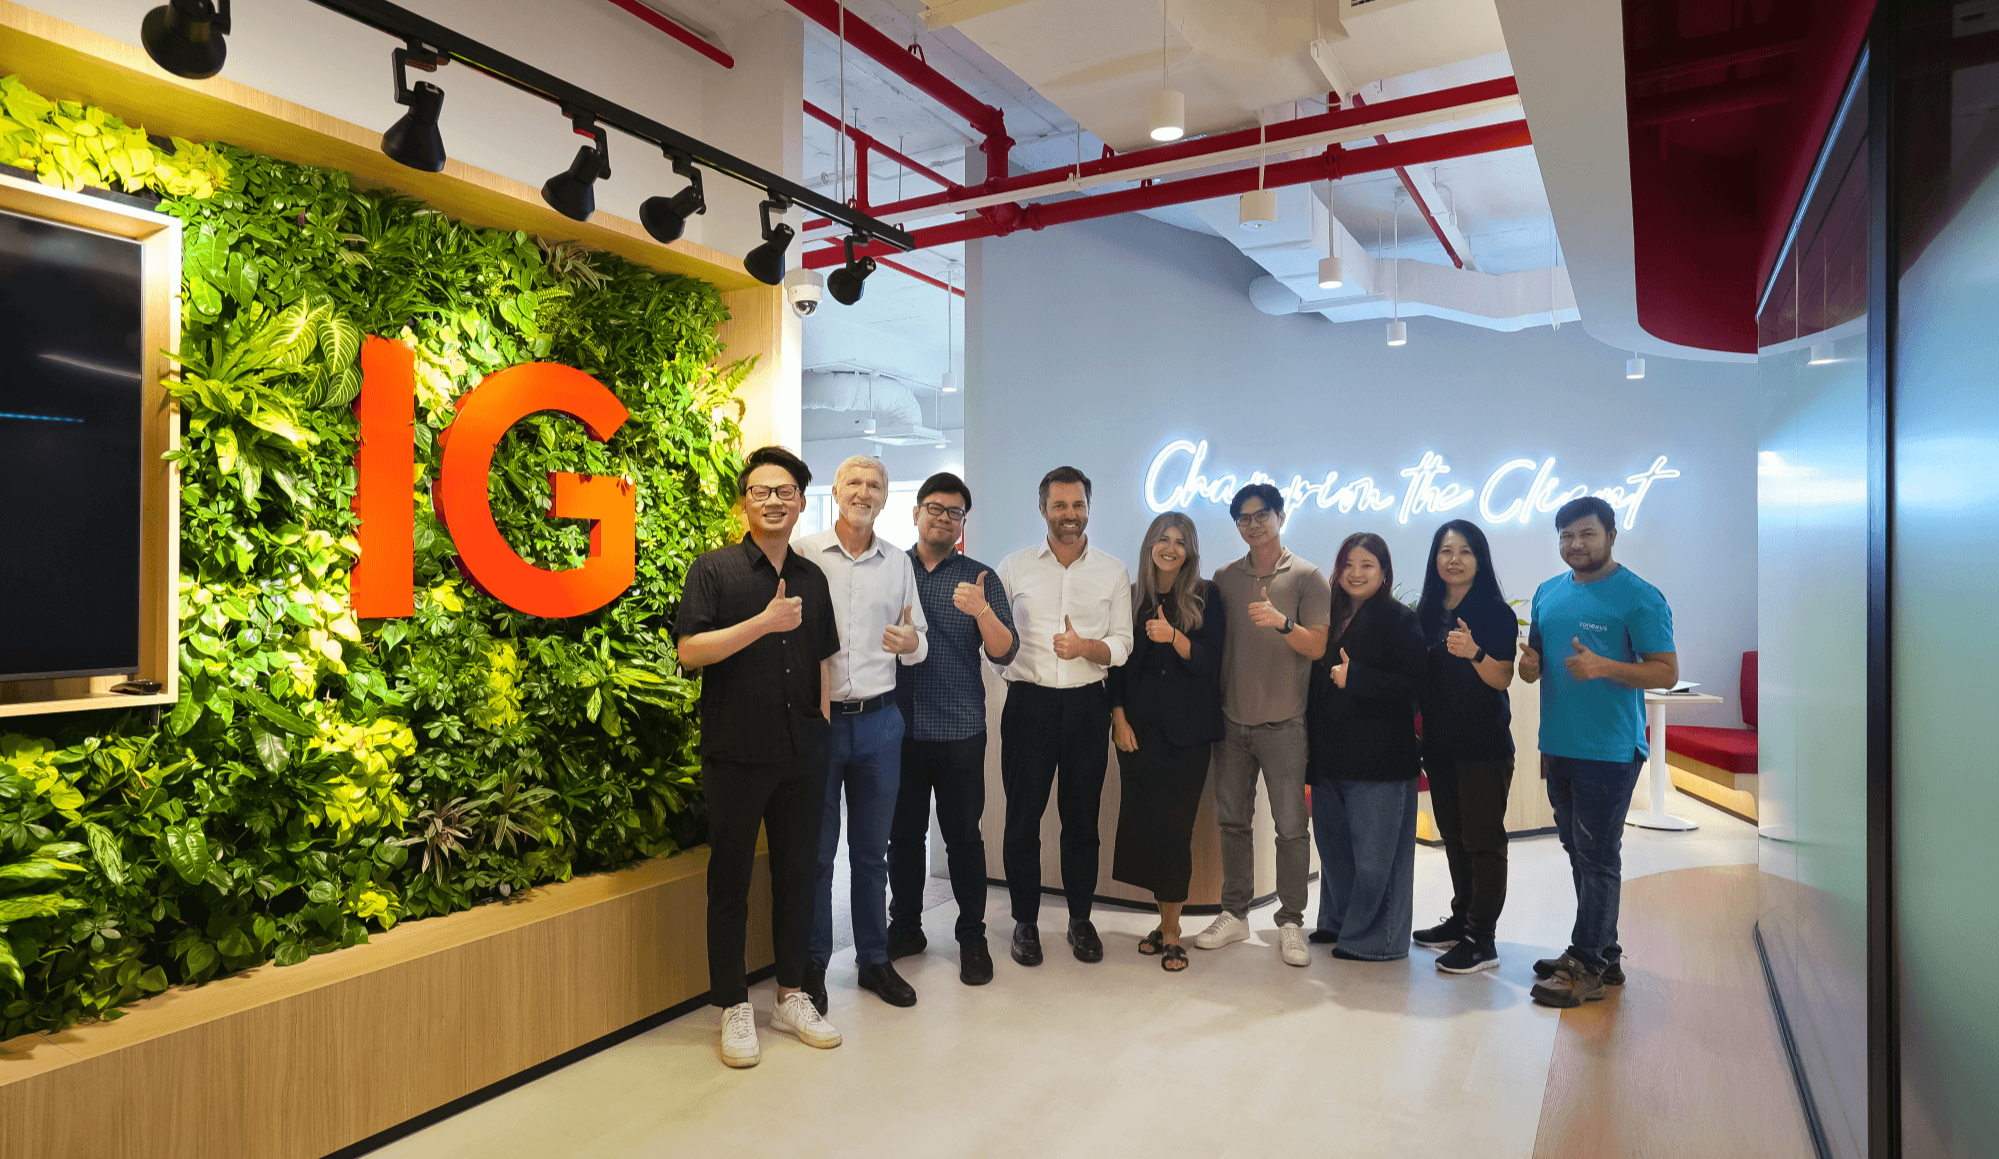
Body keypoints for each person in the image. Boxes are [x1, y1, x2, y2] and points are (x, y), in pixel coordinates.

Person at [673, 445, 843, 1069]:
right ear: (744, 502)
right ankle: (732, 1005)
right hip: (737, 752)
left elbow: (823, 658)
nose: (773, 501)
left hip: (803, 752)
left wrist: (822, 729)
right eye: (761, 491)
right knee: (731, 880)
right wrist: (763, 623)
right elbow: (690, 652)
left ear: (800, 502)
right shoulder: (713, 570)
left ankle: (791, 996)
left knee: (799, 876)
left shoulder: (812, 578)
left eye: (785, 492)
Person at [1519, 495, 1677, 1008]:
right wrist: (1528, 668)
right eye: (1566, 536)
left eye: (1587, 533)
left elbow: (1666, 672)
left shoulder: (1639, 596)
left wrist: (1605, 666)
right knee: (1578, 850)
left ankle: (1585, 964)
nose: (1575, 544)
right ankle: (1603, 953)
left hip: (1609, 749)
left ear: (1611, 536)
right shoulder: (1547, 592)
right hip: (1558, 744)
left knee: (1598, 857)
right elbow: (1536, 662)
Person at [796, 456, 929, 1012]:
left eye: (874, 484)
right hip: (820, 723)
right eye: (854, 482)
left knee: (873, 853)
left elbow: (919, 640)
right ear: (835, 491)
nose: (863, 491)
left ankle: (874, 959)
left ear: (884, 498)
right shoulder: (804, 553)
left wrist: (910, 643)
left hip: (880, 722)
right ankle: (812, 965)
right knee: (818, 855)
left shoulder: (898, 562)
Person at [996, 466, 1133, 968]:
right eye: (1060, 505)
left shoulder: (1112, 571)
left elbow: (1123, 644)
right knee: (1021, 821)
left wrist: (1084, 648)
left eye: (1077, 505)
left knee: (1081, 821)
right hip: (1028, 706)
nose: (1069, 515)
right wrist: (1009, 674)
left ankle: (1080, 919)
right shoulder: (1014, 567)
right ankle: (1025, 922)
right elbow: (996, 638)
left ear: (1088, 509)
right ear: (1043, 509)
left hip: (1086, 708)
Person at [887, 472, 1019, 987]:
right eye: (935, 509)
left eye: (955, 513)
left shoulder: (980, 577)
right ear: (916, 513)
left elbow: (1004, 652)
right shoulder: (891, 569)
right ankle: (906, 927)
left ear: (964, 522)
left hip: (960, 728)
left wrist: (981, 610)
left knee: (963, 836)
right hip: (898, 728)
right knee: (903, 836)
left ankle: (971, 935)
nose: (944, 519)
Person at [1191, 483, 1330, 968]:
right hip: (1231, 723)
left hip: (1285, 724)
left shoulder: (1308, 576)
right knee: (1233, 822)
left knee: (1291, 827)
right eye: (1243, 518)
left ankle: (1290, 921)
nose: (1253, 524)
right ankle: (1235, 913)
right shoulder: (1224, 577)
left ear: (1280, 517)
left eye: (1261, 515)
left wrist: (1281, 622)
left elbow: (1317, 646)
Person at [1108, 513, 1226, 974]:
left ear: (1189, 550)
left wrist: (1174, 636)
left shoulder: (1207, 595)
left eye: (1180, 541)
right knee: (1148, 831)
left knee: (1175, 832)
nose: (1170, 548)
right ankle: (1164, 922)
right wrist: (1118, 718)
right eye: (1163, 539)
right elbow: (1116, 666)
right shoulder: (1131, 597)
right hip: (1137, 735)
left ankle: (1172, 932)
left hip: (1187, 738)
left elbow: (1210, 662)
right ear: (1150, 545)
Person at [1307, 532, 1426, 962]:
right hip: (1331, 757)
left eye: (1367, 565)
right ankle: (1339, 922)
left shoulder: (1399, 619)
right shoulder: (1329, 617)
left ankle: (1379, 940)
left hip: (1380, 760)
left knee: (1378, 859)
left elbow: (1414, 686)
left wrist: (1355, 678)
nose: (1355, 574)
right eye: (1348, 565)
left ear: (1384, 572)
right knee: (1335, 851)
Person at [1412, 519, 1518, 975]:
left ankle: (1482, 939)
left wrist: (1474, 652)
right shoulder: (1427, 610)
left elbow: (1503, 677)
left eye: (1465, 551)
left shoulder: (1495, 612)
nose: (1454, 559)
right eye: (1446, 551)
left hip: (1483, 746)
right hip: (1439, 746)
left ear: (1480, 559)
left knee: (1483, 841)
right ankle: (1462, 919)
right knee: (1454, 837)